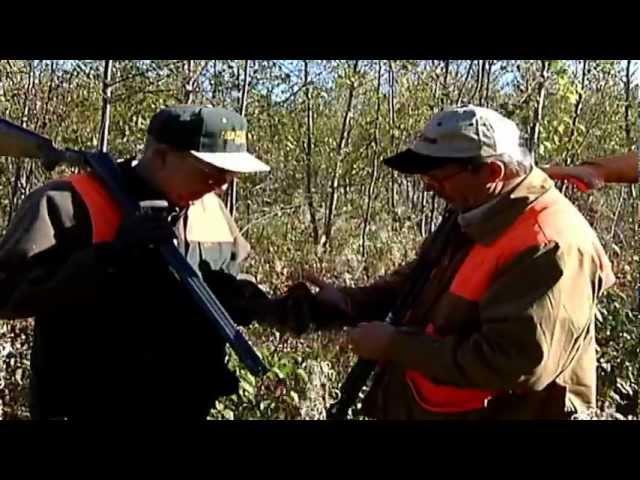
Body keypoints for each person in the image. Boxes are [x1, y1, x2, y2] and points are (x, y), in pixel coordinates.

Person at [285, 104, 617, 420]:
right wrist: (349, 302)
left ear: (492, 171)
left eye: (439, 177)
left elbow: (512, 363)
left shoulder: (549, 244)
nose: (429, 187)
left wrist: (394, 345)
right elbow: (418, 282)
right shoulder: (477, 206)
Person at [0, 105, 282, 420]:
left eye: (230, 175)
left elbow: (227, 280)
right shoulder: (66, 202)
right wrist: (109, 258)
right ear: (161, 156)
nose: (222, 185)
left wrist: (250, 300)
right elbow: (8, 296)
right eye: (211, 171)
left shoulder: (212, 211)